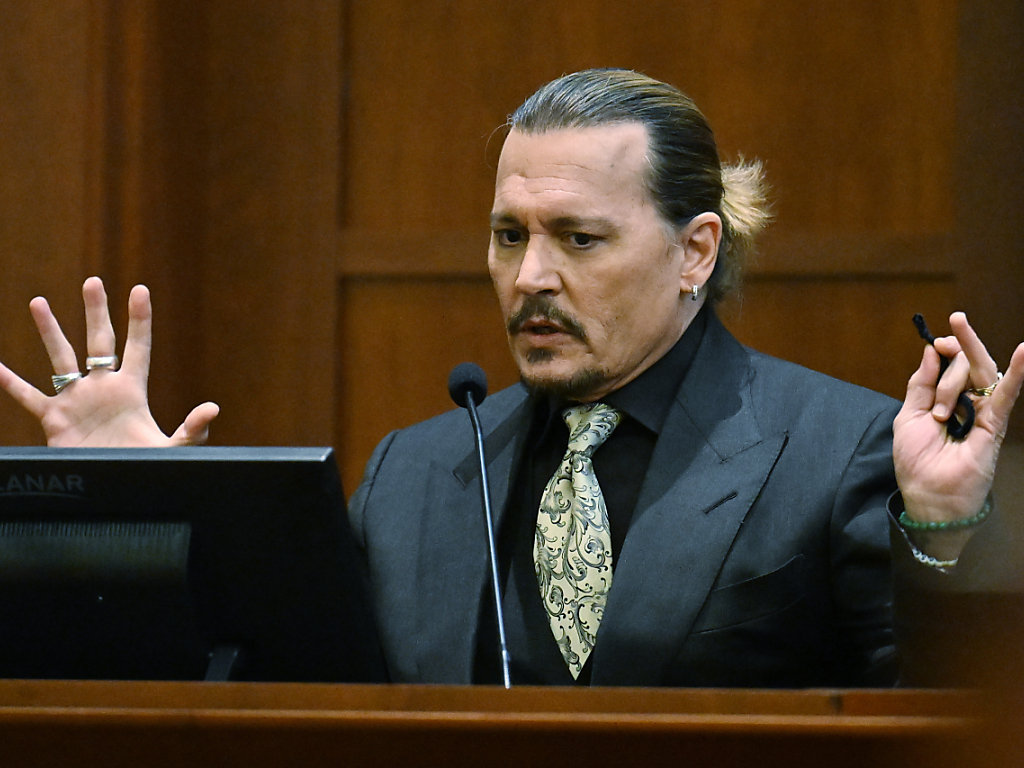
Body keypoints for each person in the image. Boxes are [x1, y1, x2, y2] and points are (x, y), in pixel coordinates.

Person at [2, 69, 1022, 687]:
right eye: (507, 235)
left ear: (695, 251)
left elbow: (936, 718)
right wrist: (140, 515)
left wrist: (940, 532)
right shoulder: (412, 476)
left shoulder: (834, 447)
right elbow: (289, 701)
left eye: (578, 238)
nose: (530, 275)